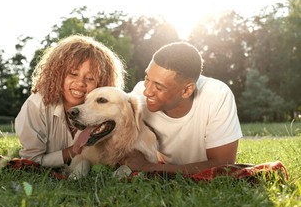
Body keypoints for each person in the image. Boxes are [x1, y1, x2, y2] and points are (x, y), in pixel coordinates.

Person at [122, 41, 243, 175]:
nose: (147, 92)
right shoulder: (139, 95)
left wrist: (149, 167)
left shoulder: (217, 95)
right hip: (163, 164)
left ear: (186, 90)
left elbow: (224, 164)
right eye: (147, 79)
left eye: (158, 86)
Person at [15, 35, 125, 167]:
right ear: (57, 74)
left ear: (102, 83)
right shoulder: (37, 106)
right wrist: (73, 151)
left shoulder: (108, 116)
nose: (80, 83)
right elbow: (31, 161)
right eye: (73, 74)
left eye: (90, 78)